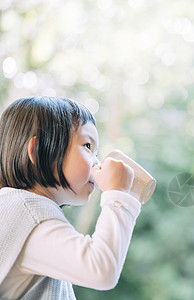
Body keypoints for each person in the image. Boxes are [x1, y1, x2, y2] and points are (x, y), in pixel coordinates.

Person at [0, 96, 141, 299]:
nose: (97, 163)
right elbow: (101, 270)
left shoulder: (15, 208)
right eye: (87, 146)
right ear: (39, 151)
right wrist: (117, 196)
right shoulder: (27, 212)